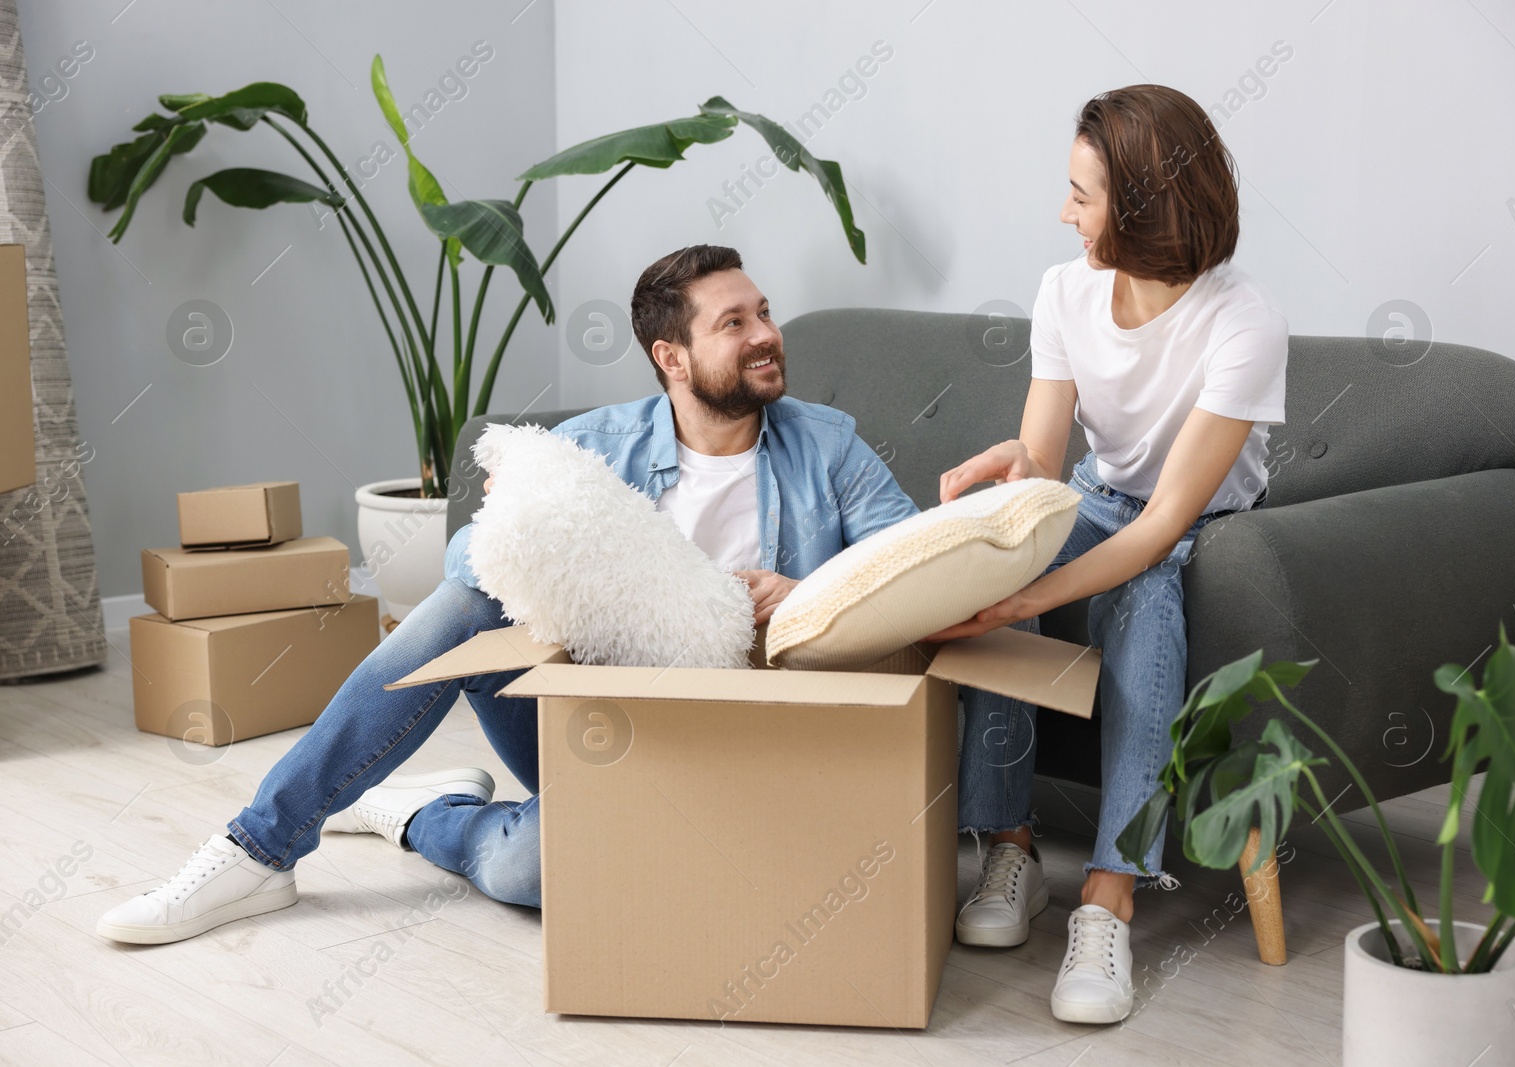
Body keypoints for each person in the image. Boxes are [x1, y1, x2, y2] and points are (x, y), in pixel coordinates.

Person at [96, 244, 1036, 945]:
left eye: (763, 312)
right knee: (470, 601)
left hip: (764, 738)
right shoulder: (602, 446)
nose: (766, 337)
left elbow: (903, 575)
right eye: (734, 323)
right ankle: (259, 850)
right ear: (672, 357)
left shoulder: (825, 443)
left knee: (526, 868)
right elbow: (473, 561)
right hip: (607, 732)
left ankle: (419, 812)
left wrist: (800, 590)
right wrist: (518, 529)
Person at [931, 84, 1287, 1024]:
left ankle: (1110, 893)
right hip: (1101, 495)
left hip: (1208, 522)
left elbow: (1165, 521)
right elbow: (1050, 467)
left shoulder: (1242, 321)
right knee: (1002, 561)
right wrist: (1019, 479)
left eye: (1082, 195)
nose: (1064, 213)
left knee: (1145, 593)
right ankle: (1010, 847)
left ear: (1144, 207)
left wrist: (1028, 599)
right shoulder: (1065, 289)